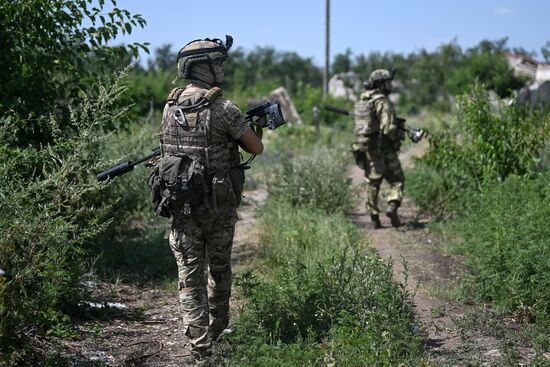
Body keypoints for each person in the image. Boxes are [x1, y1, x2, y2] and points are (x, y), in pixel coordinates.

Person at [156, 35, 263, 361]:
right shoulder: (224, 108)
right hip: (217, 207)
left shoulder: (170, 106)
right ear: (199, 67)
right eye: (216, 62)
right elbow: (255, 148)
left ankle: (200, 348)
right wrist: (257, 128)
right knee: (219, 270)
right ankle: (216, 330)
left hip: (181, 204)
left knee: (189, 278)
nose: (221, 68)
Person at [354, 69, 405, 228]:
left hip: (367, 147)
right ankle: (392, 205)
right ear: (380, 84)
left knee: (373, 182)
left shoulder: (364, 99)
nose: (391, 85)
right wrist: (399, 134)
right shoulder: (382, 101)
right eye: (388, 82)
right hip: (384, 147)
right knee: (397, 179)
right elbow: (388, 128)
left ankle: (374, 217)